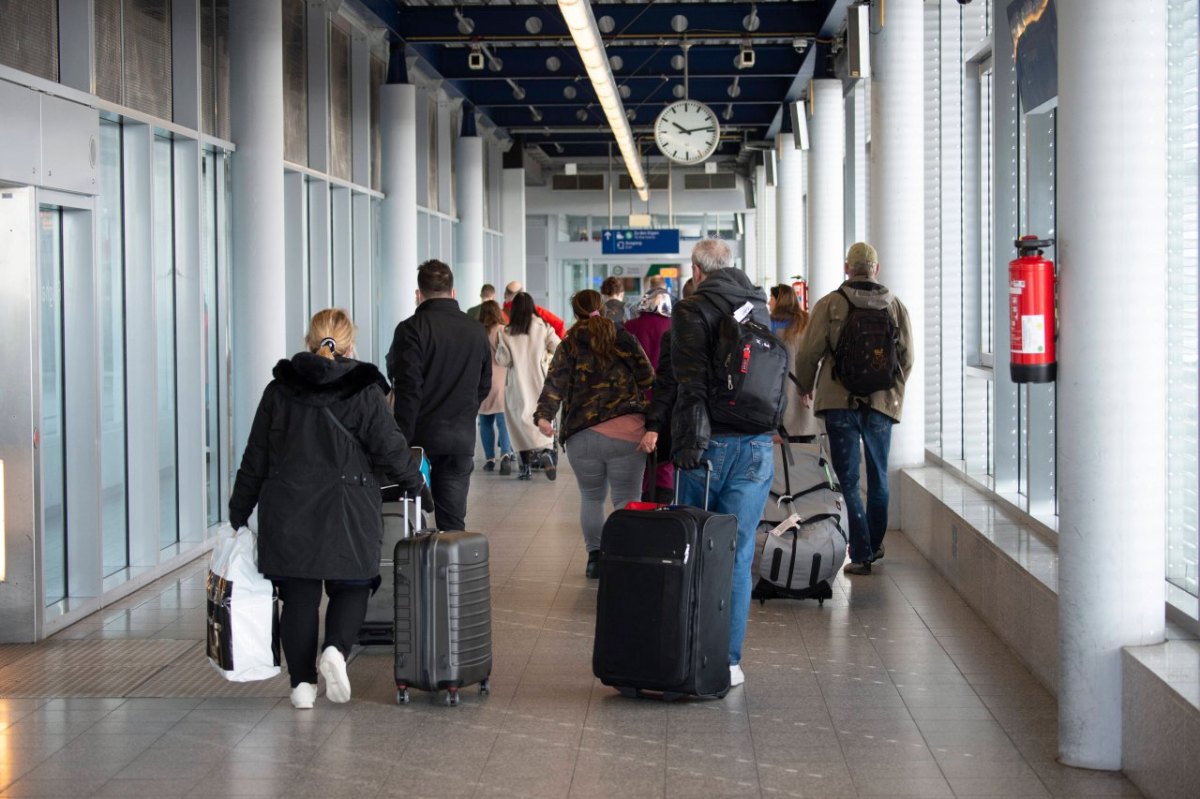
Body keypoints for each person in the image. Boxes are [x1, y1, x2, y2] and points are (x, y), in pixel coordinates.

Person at [228, 308, 426, 709]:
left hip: (287, 509)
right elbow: (390, 446)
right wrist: (415, 482)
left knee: (298, 597)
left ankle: (302, 686)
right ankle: (335, 649)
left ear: (309, 340)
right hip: (347, 506)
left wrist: (238, 509)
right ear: (350, 343)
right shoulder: (364, 389)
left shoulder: (279, 390)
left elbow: (256, 456)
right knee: (352, 584)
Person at [670, 237, 783, 690]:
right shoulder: (758, 303)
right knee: (737, 555)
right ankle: (729, 661)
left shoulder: (691, 310)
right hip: (757, 444)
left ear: (697, 271)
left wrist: (684, 444)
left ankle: (688, 651)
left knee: (695, 549)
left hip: (709, 447)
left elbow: (689, 383)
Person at [794, 242, 914, 575]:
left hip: (838, 401)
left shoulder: (831, 304)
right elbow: (907, 357)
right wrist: (891, 390)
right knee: (878, 477)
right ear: (876, 268)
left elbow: (808, 354)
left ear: (848, 268)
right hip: (880, 403)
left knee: (848, 479)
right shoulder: (896, 307)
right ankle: (874, 545)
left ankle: (860, 552)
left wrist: (805, 386)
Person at [533, 290, 656, 577]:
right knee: (626, 498)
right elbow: (648, 376)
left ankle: (595, 558)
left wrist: (544, 416)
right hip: (628, 432)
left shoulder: (570, 342)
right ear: (602, 307)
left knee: (591, 497)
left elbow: (555, 382)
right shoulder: (623, 337)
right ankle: (625, 557)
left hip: (581, 434)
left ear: (575, 312)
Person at [387, 260, 492, 532]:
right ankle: (452, 571)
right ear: (453, 292)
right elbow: (484, 384)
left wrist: (401, 438)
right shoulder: (475, 330)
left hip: (418, 439)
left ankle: (418, 570)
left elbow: (408, 389)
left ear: (418, 294)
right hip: (459, 437)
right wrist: (464, 411)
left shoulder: (410, 329)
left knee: (409, 514)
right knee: (453, 521)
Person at [496, 291, 560, 479]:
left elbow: (504, 360)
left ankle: (525, 469)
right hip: (540, 381)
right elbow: (559, 348)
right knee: (542, 417)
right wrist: (545, 360)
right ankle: (546, 453)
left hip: (517, 383)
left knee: (518, 422)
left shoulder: (507, 332)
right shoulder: (544, 327)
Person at [624, 287, 674, 502]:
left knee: (635, 458)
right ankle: (661, 506)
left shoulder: (629, 328)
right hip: (665, 402)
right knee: (664, 461)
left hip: (632, 403)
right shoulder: (674, 329)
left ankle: (636, 506)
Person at [769, 284, 820, 439]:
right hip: (807, 385)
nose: (769, 301)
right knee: (806, 433)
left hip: (782, 387)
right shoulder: (807, 321)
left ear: (779, 300)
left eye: (771, 298)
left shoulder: (772, 324)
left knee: (787, 437)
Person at [477, 300, 516, 474]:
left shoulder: (477, 331)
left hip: (482, 380)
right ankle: (506, 454)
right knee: (503, 421)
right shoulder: (503, 330)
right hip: (502, 378)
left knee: (485, 422)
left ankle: (490, 459)